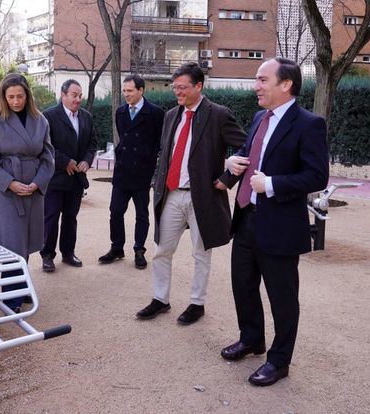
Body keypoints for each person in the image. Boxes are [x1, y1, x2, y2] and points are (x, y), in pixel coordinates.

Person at [220, 57, 329, 387]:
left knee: (282, 297)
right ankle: (252, 339)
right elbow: (249, 150)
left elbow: (317, 175)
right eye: (257, 80)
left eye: (262, 80)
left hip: (280, 224)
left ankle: (279, 361)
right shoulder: (258, 117)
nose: (256, 86)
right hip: (247, 218)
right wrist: (231, 165)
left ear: (286, 85)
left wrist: (272, 185)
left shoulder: (309, 124)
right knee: (243, 284)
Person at [136, 62, 246, 325]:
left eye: (183, 87)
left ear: (199, 86)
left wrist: (227, 178)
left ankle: (197, 303)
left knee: (200, 252)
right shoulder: (171, 115)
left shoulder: (219, 114)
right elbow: (167, 153)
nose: (178, 92)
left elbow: (248, 147)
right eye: (175, 88)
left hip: (203, 197)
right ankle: (160, 299)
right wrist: (157, 180)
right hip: (171, 194)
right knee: (161, 250)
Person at [0, 73, 55, 312]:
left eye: (20, 96)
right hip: (4, 191)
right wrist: (10, 183)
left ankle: (20, 289)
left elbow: (48, 155)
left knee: (25, 241)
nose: (15, 101)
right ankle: (11, 296)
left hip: (32, 187)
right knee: (11, 242)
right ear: (3, 96)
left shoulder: (40, 120)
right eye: (10, 96)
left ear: (27, 95)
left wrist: (38, 182)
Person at [98, 74, 164, 269]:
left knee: (141, 214)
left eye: (130, 91)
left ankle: (139, 250)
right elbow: (123, 139)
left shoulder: (156, 113)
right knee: (115, 212)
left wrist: (151, 164)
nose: (126, 94)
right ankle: (117, 247)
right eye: (124, 91)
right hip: (122, 172)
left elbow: (160, 142)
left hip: (143, 173)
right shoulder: (120, 112)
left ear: (141, 90)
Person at [40, 79, 97, 272]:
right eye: (74, 95)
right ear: (63, 95)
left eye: (80, 95)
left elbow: (92, 143)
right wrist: (65, 162)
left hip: (76, 179)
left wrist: (87, 160)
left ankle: (68, 253)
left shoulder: (87, 117)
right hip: (55, 178)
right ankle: (47, 255)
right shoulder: (48, 116)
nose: (78, 99)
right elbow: (45, 147)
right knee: (51, 217)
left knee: (71, 217)